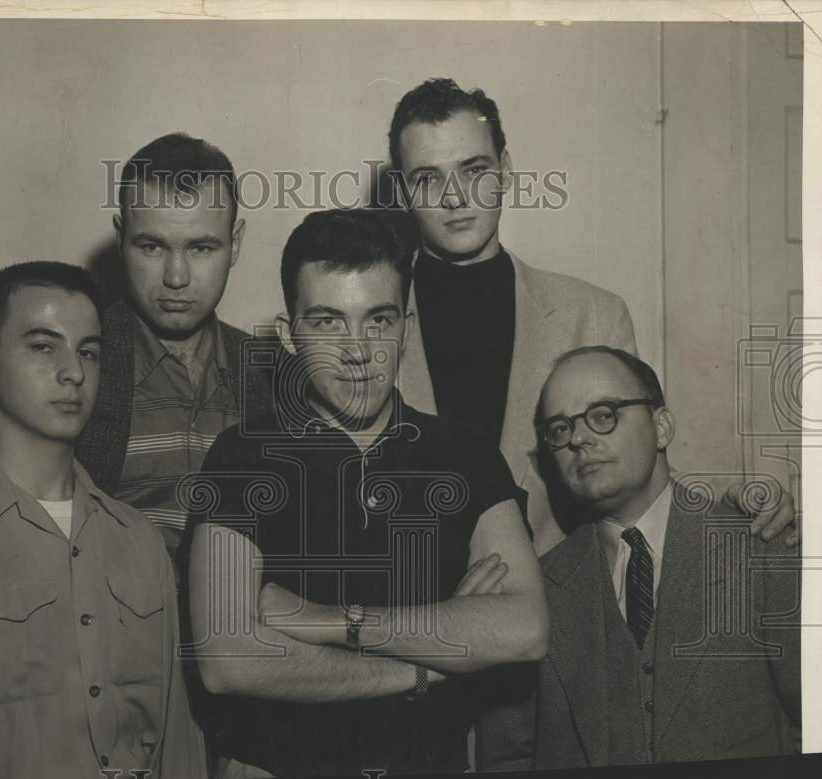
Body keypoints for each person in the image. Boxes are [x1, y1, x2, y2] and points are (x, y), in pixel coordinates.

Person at [182, 209, 547, 778]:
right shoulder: (240, 457)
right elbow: (228, 660)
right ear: (288, 335)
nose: (358, 349)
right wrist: (437, 661)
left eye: (378, 320)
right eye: (328, 322)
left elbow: (523, 629)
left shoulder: (465, 454)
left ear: (407, 323)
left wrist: (329, 622)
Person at [387, 77, 798, 554]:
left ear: (506, 170)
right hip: (410, 607)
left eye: (473, 170)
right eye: (427, 178)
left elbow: (637, 471)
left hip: (566, 613)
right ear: (401, 192)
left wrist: (729, 502)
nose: (454, 197)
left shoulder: (593, 313)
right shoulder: (364, 322)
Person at [0, 262, 206, 779]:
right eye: (43, 346)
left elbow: (179, 750)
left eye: (89, 351)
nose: (74, 371)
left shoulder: (138, 539)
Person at [478, 346, 800, 769]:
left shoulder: (760, 546)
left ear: (662, 426)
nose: (577, 439)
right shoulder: (535, 587)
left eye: (603, 414)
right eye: (559, 428)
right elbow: (506, 759)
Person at [77, 133, 273, 559]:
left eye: (201, 248)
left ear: (235, 243)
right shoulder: (74, 367)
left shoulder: (279, 376)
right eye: (152, 247)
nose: (177, 278)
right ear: (120, 237)